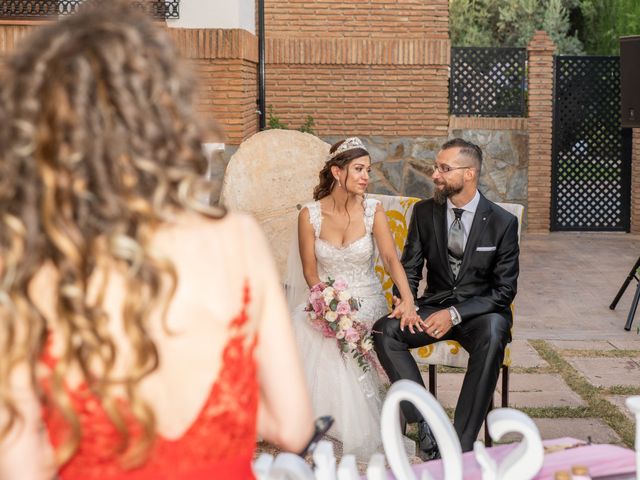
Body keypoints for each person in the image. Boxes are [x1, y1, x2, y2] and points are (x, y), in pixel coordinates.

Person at [0, 2, 313, 479]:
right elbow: (292, 426)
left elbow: (20, 467)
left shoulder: (29, 263)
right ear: (164, 114)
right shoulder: (236, 238)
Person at [373, 138, 519, 459]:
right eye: (435, 167)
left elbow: (503, 291)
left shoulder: (502, 222)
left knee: (494, 332)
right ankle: (425, 426)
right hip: (431, 306)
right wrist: (406, 301)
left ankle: (460, 446)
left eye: (444, 168)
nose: (435, 175)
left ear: (469, 174)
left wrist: (454, 314)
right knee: (384, 331)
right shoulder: (425, 212)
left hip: (479, 315)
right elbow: (410, 269)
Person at [287, 137, 419, 460]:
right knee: (311, 332)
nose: (366, 177)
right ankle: (325, 433)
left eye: (368, 170)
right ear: (337, 171)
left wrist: (408, 299)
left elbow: (390, 259)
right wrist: (328, 307)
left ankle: (351, 433)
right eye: (358, 169)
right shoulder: (309, 215)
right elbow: (310, 272)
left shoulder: (374, 211)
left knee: (351, 336)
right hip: (327, 300)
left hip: (368, 301)